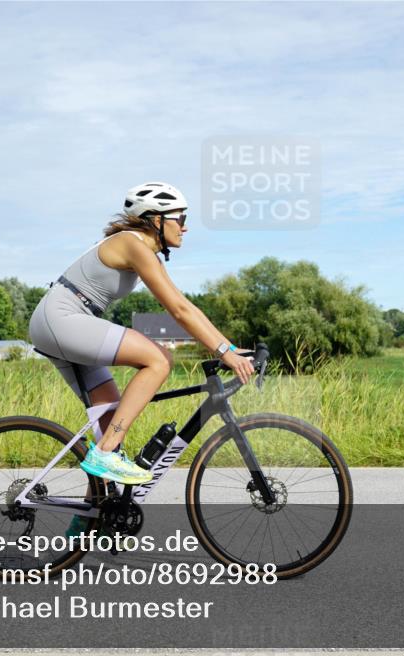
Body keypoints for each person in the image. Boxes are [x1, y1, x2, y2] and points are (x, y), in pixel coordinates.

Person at [29, 182, 255, 485]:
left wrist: (229, 347)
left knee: (111, 423)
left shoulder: (148, 253)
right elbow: (177, 310)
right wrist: (224, 352)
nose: (185, 228)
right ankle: (105, 453)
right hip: (61, 319)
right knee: (158, 360)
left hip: (66, 322)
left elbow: (185, 304)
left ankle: (87, 526)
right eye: (181, 219)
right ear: (157, 220)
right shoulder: (132, 243)